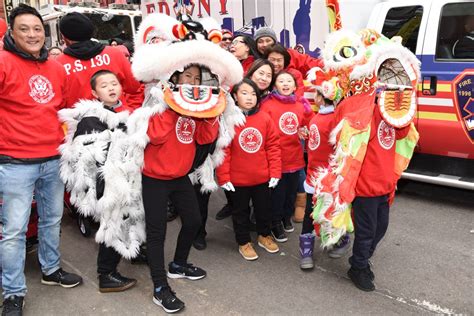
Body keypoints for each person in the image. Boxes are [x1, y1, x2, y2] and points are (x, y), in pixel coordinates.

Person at [0, 5, 82, 315]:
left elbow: (61, 108)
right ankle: (13, 293)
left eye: (37, 29)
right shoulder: (2, 62)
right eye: (24, 29)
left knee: (51, 221)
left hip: (53, 159)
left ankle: (51, 270)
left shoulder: (55, 67)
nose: (33, 34)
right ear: (12, 31)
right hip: (14, 162)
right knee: (14, 231)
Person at [142, 64, 219, 313]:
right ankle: (159, 287)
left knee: (194, 220)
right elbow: (155, 136)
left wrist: (209, 114)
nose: (192, 81)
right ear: (175, 77)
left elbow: (205, 139)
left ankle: (178, 264)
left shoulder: (194, 108)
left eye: (197, 78)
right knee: (157, 233)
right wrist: (169, 104)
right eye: (188, 76)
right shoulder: (159, 104)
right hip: (154, 178)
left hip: (180, 176)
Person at [70, 70, 137, 292]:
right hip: (108, 184)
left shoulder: (123, 111)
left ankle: (132, 249)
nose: (111, 88)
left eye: (114, 83)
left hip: (128, 179)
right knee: (112, 224)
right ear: (94, 92)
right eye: (104, 85)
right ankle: (106, 274)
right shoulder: (91, 117)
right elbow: (91, 158)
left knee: (130, 219)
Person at [217, 78, 281, 260]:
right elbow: (224, 151)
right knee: (240, 212)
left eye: (253, 94)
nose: (250, 97)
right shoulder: (229, 120)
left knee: (264, 210)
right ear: (235, 97)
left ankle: (264, 235)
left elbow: (273, 147)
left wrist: (275, 172)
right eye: (244, 93)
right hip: (238, 180)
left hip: (262, 178)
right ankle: (243, 242)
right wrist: (224, 177)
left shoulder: (265, 118)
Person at [260, 71, 313, 243]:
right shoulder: (267, 104)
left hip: (295, 157)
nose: (285, 83)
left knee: (291, 193)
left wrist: (304, 131)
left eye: (289, 81)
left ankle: (285, 218)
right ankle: (275, 223)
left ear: (295, 86)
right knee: (277, 194)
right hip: (276, 158)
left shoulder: (301, 104)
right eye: (281, 81)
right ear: (274, 85)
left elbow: (306, 124)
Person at [299, 89, 350, 270]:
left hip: (322, 177)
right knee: (327, 211)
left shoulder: (329, 119)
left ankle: (309, 249)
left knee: (314, 213)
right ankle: (338, 239)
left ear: (320, 98)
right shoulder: (326, 118)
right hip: (322, 177)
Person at [56, 12, 143, 108]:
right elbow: (136, 90)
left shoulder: (58, 64)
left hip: (80, 121)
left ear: (64, 37)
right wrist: (129, 113)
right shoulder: (115, 54)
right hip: (118, 119)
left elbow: (56, 104)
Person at [254, 26, 323, 77]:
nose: (265, 45)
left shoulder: (289, 54)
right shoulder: (252, 61)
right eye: (260, 42)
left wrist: (329, 65)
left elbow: (309, 63)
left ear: (275, 42)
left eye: (268, 41)